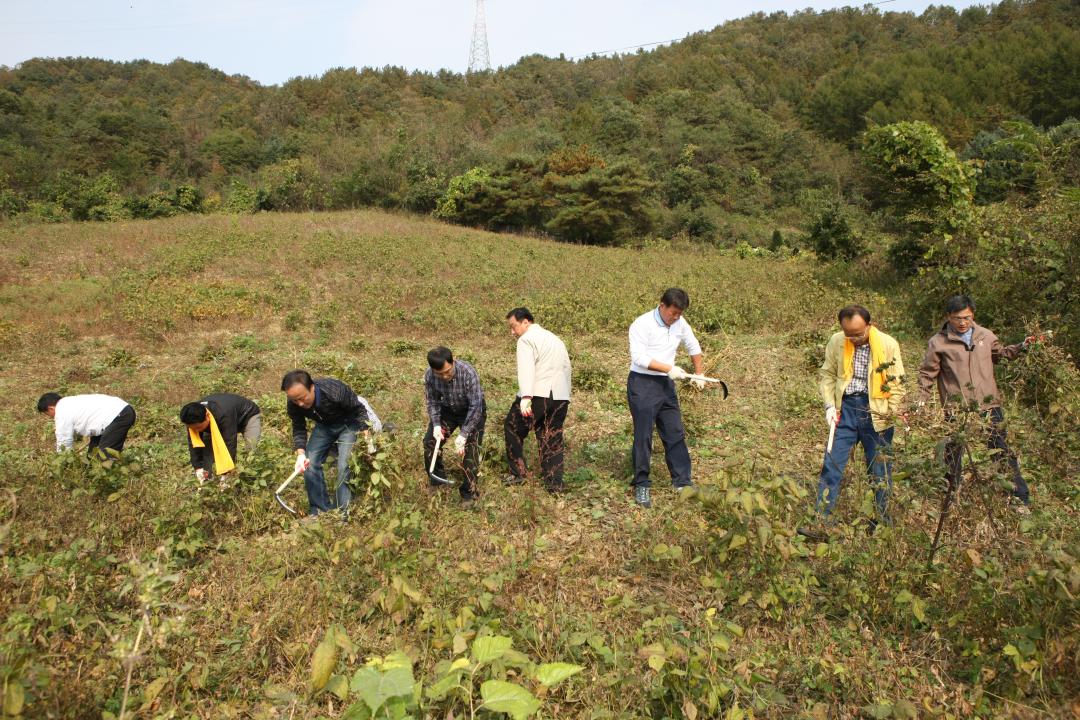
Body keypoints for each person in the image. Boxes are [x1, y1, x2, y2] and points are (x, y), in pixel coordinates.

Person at [916, 295, 1033, 510]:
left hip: (989, 405)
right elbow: (927, 373)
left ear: (973, 315)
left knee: (1000, 449)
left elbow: (1002, 354)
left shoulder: (985, 336)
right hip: (958, 408)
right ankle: (951, 497)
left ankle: (1019, 499)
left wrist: (1023, 346)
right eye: (957, 318)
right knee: (954, 453)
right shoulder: (938, 342)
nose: (962, 323)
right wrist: (920, 401)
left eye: (967, 318)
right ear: (948, 317)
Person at [813, 305, 905, 530]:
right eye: (849, 334)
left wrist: (890, 414)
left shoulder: (887, 344)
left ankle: (882, 522)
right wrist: (829, 406)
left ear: (869, 325)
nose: (853, 338)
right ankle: (821, 521)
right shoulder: (837, 341)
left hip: (877, 411)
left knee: (879, 469)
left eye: (858, 333)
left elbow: (897, 383)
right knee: (832, 464)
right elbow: (827, 374)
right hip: (845, 409)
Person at [627, 288, 706, 508]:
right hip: (642, 384)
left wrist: (698, 372)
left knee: (674, 432)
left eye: (679, 314)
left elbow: (693, 346)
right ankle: (642, 484)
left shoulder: (680, 323)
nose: (676, 317)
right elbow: (639, 357)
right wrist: (668, 368)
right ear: (662, 306)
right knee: (644, 436)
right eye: (673, 313)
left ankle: (682, 481)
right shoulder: (641, 324)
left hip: (666, 385)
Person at [281, 370, 368, 517]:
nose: (300, 404)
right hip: (324, 426)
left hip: (348, 424)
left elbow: (359, 411)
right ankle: (319, 511)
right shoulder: (293, 402)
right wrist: (300, 454)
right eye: (295, 400)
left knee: (345, 464)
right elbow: (299, 427)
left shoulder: (334, 390)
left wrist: (367, 437)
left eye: (302, 398)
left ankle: (343, 513)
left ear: (312, 387)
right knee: (309, 463)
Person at [503, 307, 572, 493]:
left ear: (526, 321)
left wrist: (526, 396)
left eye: (513, 326)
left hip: (538, 394)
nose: (512, 332)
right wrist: (565, 396)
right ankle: (554, 484)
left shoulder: (526, 339)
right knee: (551, 436)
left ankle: (518, 473)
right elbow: (567, 367)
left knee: (512, 427)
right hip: (561, 395)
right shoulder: (554, 338)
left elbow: (527, 369)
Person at [423, 346, 486, 507]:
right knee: (430, 442)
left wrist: (464, 434)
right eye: (440, 374)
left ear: (454, 360)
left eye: (447, 371)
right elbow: (433, 401)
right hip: (448, 411)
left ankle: (469, 493)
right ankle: (437, 481)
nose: (444, 376)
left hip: (471, 412)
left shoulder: (468, 373)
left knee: (471, 450)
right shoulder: (430, 376)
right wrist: (436, 424)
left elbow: (476, 406)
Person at [179, 393, 261, 482]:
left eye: (198, 428)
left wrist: (226, 473)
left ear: (207, 416)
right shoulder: (191, 418)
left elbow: (229, 442)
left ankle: (249, 480)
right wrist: (198, 467)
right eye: (193, 428)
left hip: (247, 416)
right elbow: (194, 444)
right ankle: (209, 479)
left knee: (251, 449)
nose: (196, 431)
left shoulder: (224, 414)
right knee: (207, 451)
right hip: (221, 420)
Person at [37, 392, 136, 459]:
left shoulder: (61, 411)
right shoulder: (69, 402)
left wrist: (62, 461)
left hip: (118, 416)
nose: (50, 417)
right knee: (92, 456)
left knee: (105, 456)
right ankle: (91, 477)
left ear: (50, 408)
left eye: (47, 414)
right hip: (119, 412)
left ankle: (107, 484)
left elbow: (64, 440)